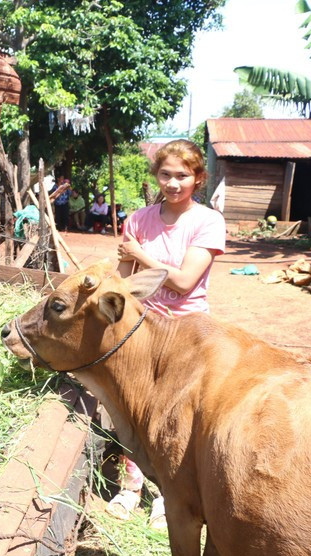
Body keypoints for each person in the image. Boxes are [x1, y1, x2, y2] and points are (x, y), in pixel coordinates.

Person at [107, 138, 226, 529]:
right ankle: (130, 487)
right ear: (156, 175)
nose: (173, 183)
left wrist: (140, 255)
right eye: (165, 174)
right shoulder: (139, 219)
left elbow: (184, 282)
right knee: (134, 409)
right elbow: (125, 282)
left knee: (175, 418)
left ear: (198, 177)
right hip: (142, 329)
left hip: (187, 332)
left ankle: (167, 495)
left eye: (182, 175)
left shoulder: (207, 221)